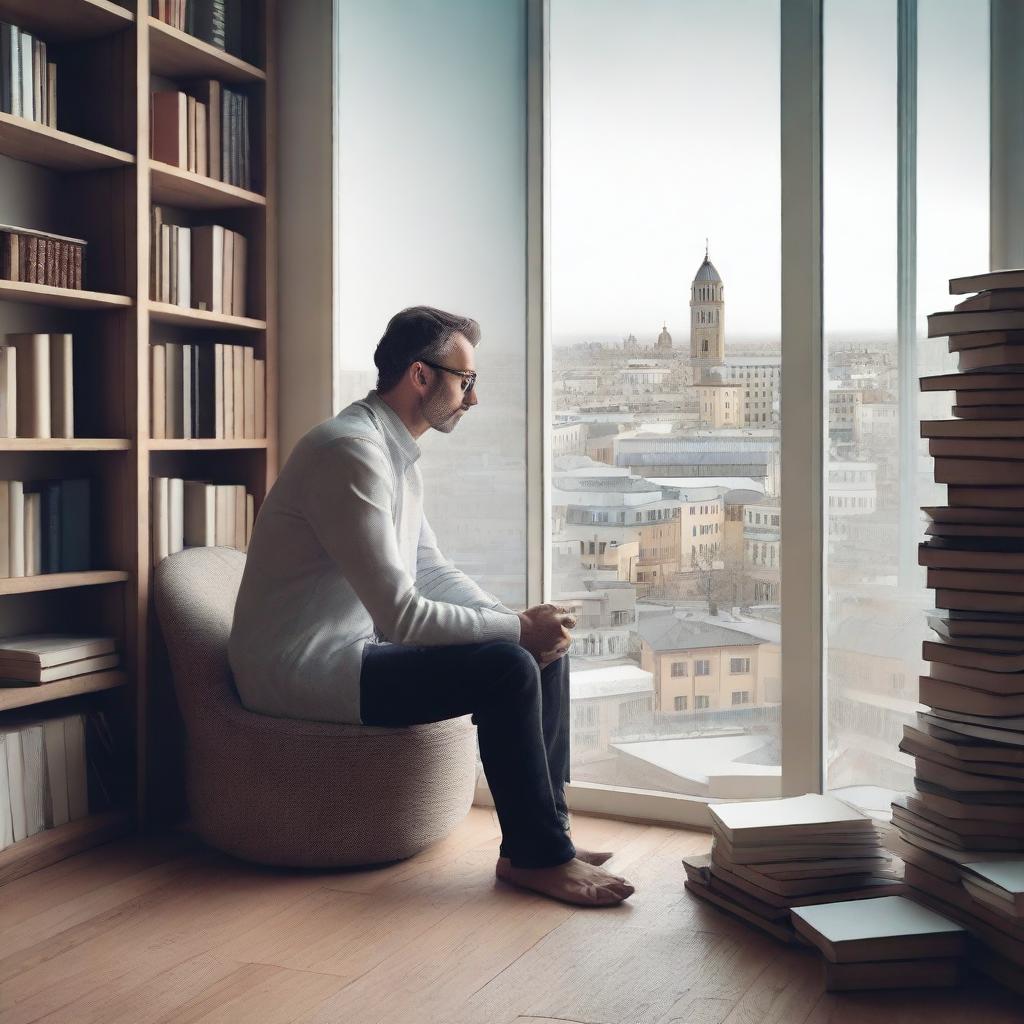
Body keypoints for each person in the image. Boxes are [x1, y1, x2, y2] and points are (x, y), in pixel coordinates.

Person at [228, 305, 636, 907]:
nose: (472, 399)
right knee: (508, 665)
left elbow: (431, 570)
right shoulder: (351, 453)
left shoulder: (392, 452)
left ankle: (548, 838)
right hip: (304, 670)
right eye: (464, 381)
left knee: (542, 647)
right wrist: (512, 632)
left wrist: (521, 623)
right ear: (421, 376)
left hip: (355, 652)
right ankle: (536, 859)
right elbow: (402, 615)